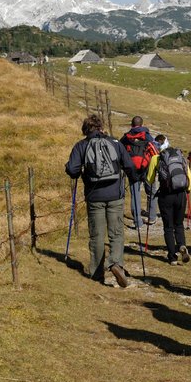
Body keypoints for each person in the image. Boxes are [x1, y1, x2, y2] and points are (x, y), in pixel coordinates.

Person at [65, 114, 138, 287]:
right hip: (115, 195)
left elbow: (72, 170)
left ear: (86, 129)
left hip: (94, 196)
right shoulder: (114, 143)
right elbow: (129, 166)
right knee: (116, 232)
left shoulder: (81, 145)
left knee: (97, 234)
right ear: (101, 127)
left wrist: (75, 171)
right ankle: (115, 263)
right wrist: (134, 179)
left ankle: (97, 273)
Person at [146, 135, 191, 265]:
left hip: (166, 195)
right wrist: (187, 189)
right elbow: (188, 175)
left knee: (168, 227)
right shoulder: (179, 156)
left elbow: (149, 179)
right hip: (181, 194)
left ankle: (172, 257)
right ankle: (182, 245)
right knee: (179, 224)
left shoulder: (156, 158)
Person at [119, 116, 156, 228]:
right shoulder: (147, 136)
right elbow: (154, 151)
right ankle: (152, 216)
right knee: (151, 192)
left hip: (132, 169)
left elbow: (120, 150)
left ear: (132, 124)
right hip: (147, 166)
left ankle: (137, 221)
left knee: (135, 193)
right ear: (142, 124)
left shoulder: (126, 137)